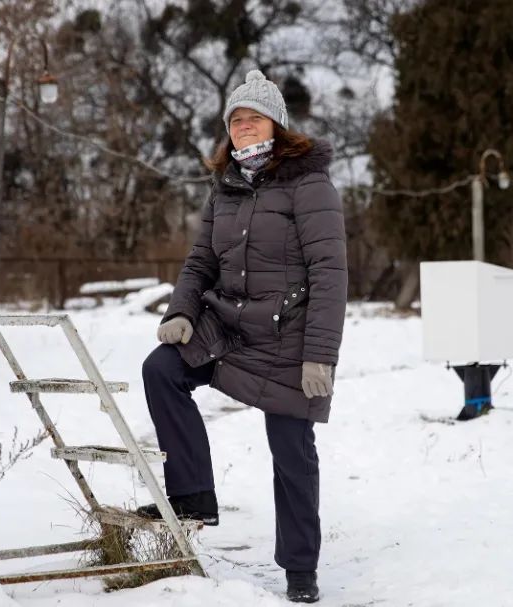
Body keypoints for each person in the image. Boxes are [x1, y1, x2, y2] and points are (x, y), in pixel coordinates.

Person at [136, 70, 347, 603]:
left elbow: (329, 272)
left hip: (289, 336)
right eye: (235, 121)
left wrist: (319, 356)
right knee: (162, 368)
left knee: (291, 451)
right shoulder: (225, 187)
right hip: (227, 327)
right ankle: (193, 497)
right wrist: (181, 311)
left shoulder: (309, 184)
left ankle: (300, 570)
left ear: (275, 123)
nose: (244, 128)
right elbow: (201, 259)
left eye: (253, 118)